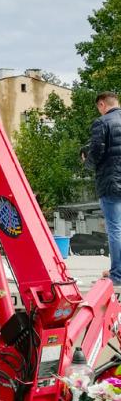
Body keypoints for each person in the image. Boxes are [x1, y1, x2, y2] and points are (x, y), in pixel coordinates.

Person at [83, 92, 121, 286]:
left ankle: (117, 275)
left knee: (115, 228)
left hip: (111, 182)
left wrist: (87, 162)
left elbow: (97, 150)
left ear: (102, 104)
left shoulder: (102, 122)